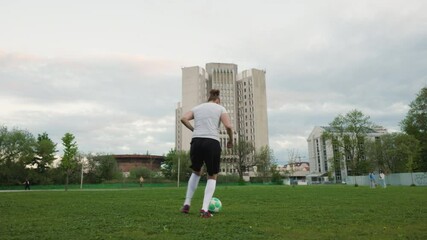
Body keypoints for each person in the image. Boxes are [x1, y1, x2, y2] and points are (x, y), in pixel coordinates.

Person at [180, 89, 233, 218]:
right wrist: (231, 140)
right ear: (217, 100)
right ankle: (204, 210)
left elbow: (183, 118)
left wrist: (194, 129)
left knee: (196, 171)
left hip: (196, 141)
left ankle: (187, 203)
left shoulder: (198, 108)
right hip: (212, 142)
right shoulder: (220, 108)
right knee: (212, 175)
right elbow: (229, 127)